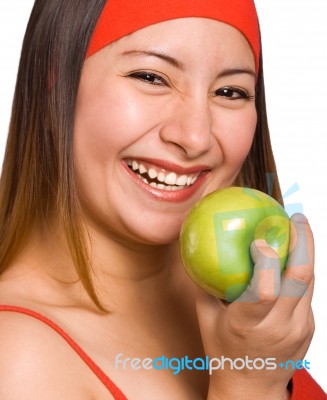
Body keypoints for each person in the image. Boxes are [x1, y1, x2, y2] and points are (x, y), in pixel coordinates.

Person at [0, 0, 325, 399]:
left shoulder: (250, 314)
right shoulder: (17, 359)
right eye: (152, 77)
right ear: (53, 75)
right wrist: (248, 384)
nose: (195, 137)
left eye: (229, 90)